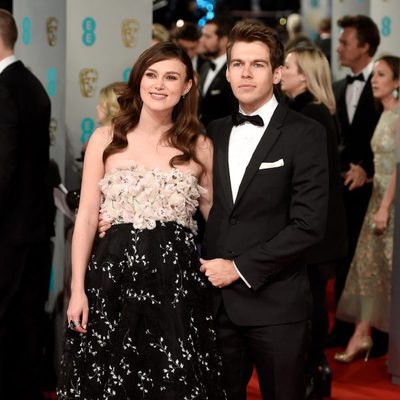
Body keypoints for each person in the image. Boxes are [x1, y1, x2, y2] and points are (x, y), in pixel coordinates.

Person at [57, 41, 226, 399]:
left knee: (174, 382)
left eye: (171, 77)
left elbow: (218, 221)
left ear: (187, 86)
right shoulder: (106, 138)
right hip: (111, 282)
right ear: (138, 81)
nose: (159, 85)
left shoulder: (200, 146)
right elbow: (86, 217)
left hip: (177, 288)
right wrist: (77, 290)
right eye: (151, 75)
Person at [200, 22, 329, 400]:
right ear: (227, 71)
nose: (244, 73)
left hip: (276, 303)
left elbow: (308, 224)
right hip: (218, 304)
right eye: (237, 63)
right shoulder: (216, 130)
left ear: (276, 73)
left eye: (257, 64)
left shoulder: (305, 133)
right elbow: (203, 205)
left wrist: (238, 268)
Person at [280, 45, 347, 399]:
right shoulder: (304, 110)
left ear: (304, 74)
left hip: (316, 230)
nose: (281, 70)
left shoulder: (314, 114)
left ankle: (315, 368)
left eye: (287, 66)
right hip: (314, 227)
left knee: (313, 302)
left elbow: (312, 183)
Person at [0, 9, 52, 400]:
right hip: (32, 223)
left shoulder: (4, 87)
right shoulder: (31, 83)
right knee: (26, 316)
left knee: (9, 317)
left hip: (9, 227)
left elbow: (4, 165)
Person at [334, 55, 399, 363]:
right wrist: (367, 175)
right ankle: (362, 335)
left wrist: (385, 207)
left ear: (397, 82)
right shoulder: (384, 113)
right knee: (370, 269)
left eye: (382, 75)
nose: (375, 79)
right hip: (379, 197)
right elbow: (384, 165)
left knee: (388, 271)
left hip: (390, 203)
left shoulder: (399, 116)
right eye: (375, 75)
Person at [328, 14, 383, 350]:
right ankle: (345, 327)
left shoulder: (387, 80)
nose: (339, 47)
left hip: (378, 190)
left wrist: (366, 168)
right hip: (344, 188)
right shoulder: (337, 86)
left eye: (345, 42)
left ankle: (377, 332)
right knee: (346, 259)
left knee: (372, 264)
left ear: (364, 47)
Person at [198, 17, 238, 127]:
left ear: (223, 40)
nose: (201, 40)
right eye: (202, 35)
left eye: (207, 36)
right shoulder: (205, 67)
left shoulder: (234, 70)